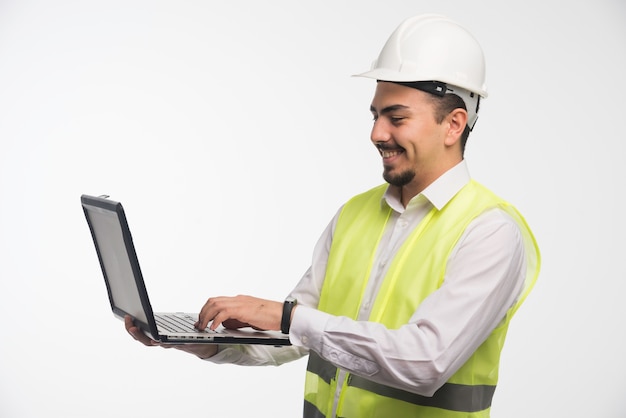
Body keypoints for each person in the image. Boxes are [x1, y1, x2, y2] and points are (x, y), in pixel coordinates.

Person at [126, 14, 541, 417]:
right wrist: (195, 340)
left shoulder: (489, 232)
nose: (377, 133)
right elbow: (290, 337)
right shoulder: (355, 214)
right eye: (376, 115)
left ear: (453, 125)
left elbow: (425, 362)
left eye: (396, 117)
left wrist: (290, 317)